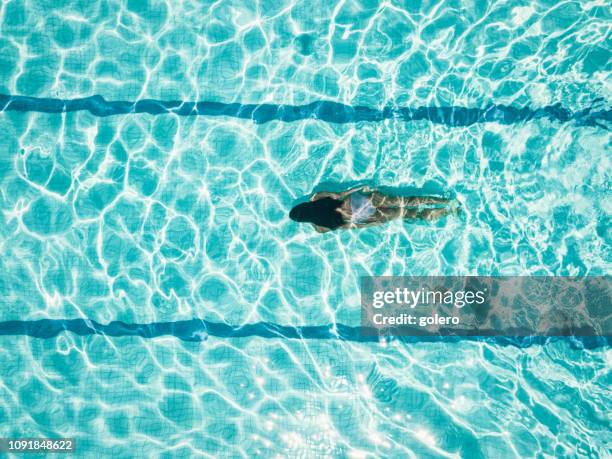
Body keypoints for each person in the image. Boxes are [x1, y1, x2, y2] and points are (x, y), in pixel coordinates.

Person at [289, 186, 459, 233]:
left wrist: (373, 222)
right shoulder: (316, 198)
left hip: (362, 216)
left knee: (409, 213)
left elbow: (350, 226)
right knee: (407, 201)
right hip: (358, 201)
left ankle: (449, 211)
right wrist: (361, 188)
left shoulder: (320, 228)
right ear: (302, 206)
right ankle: (446, 201)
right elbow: (340, 194)